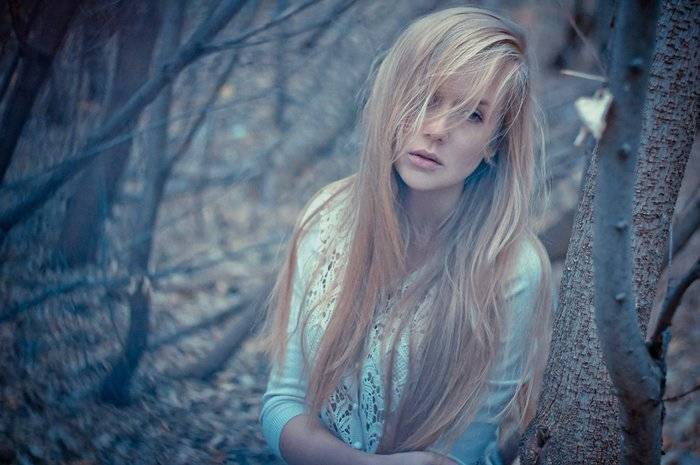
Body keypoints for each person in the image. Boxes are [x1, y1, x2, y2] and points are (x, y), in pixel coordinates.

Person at [256, 6, 554, 465]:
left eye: (472, 115)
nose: (436, 130)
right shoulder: (327, 217)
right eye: (427, 98)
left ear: (495, 143)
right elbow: (283, 402)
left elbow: (463, 453)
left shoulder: (512, 268)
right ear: (393, 100)